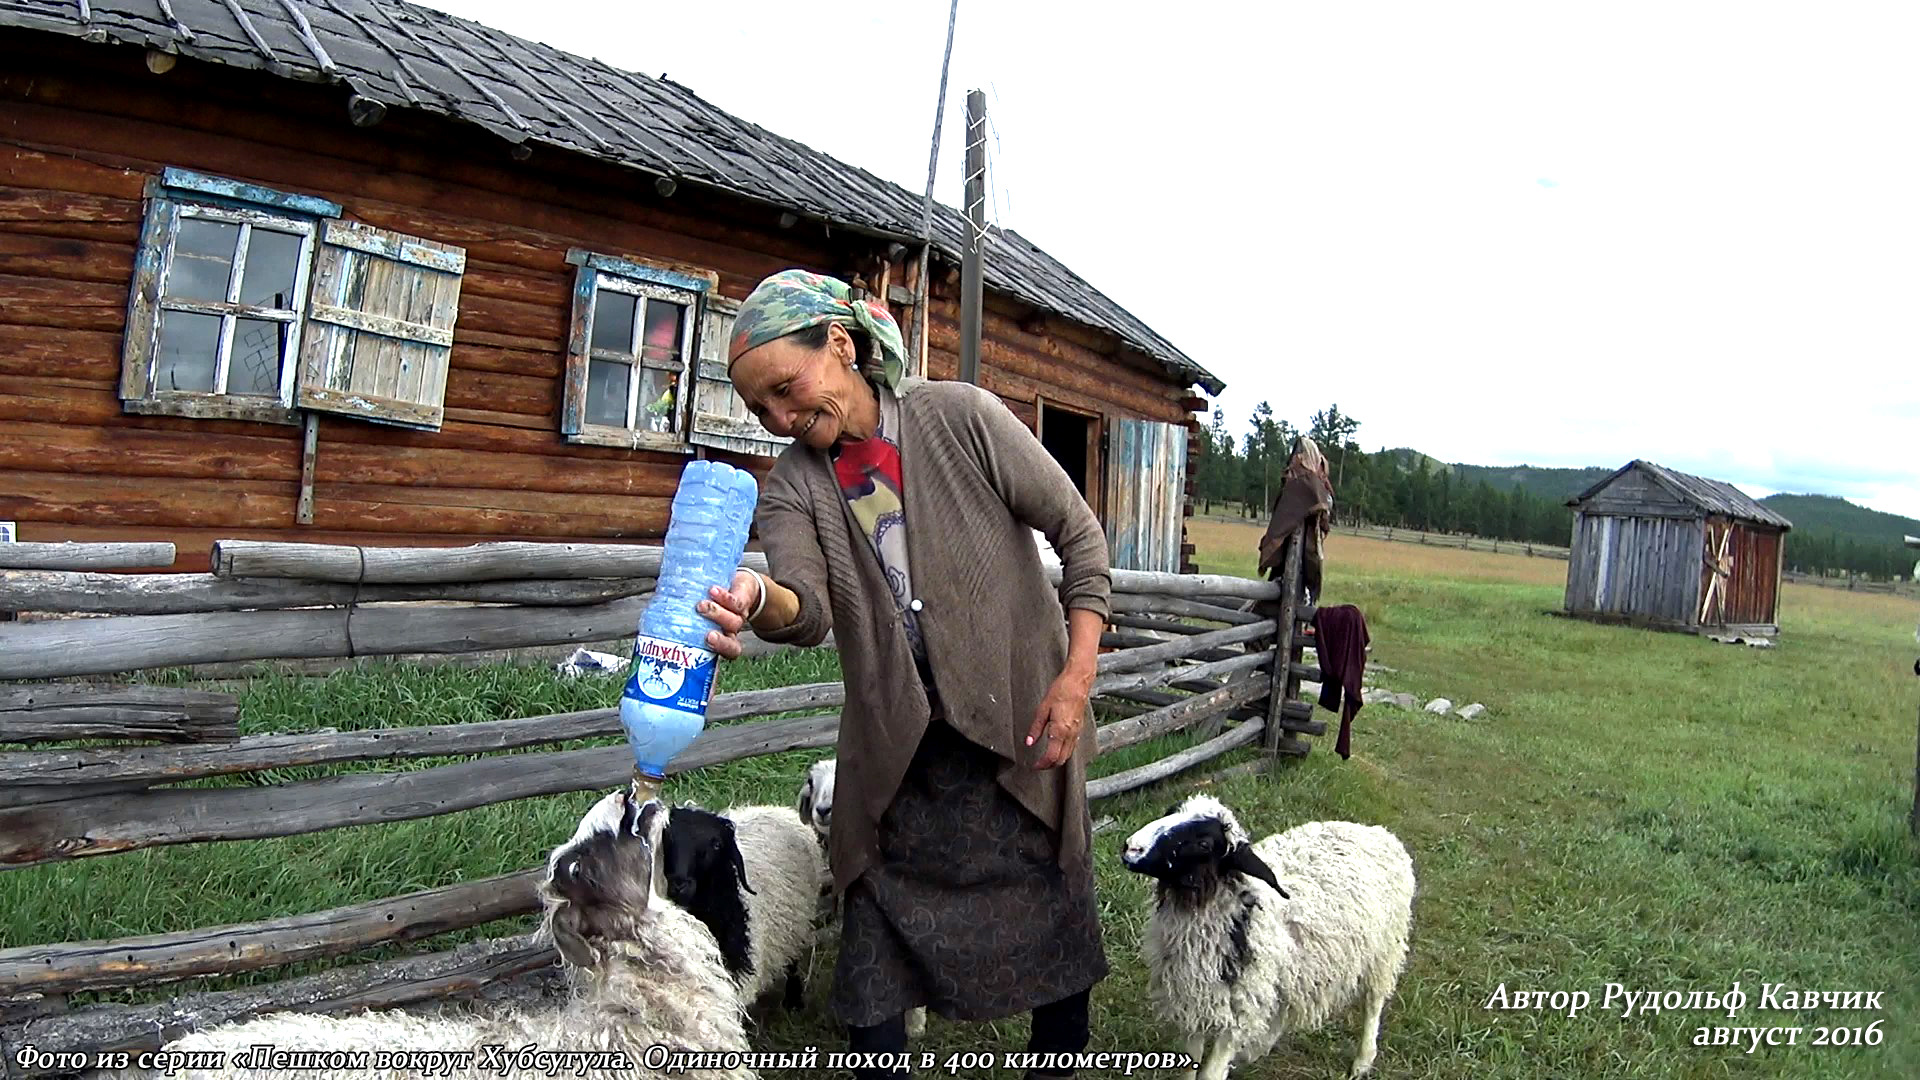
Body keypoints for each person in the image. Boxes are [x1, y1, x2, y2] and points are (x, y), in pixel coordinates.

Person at [696, 269, 1111, 1079]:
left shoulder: (961, 418)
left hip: (1018, 740)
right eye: (761, 410)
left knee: (1054, 926)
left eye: (787, 388)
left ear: (840, 346)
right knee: (876, 945)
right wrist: (756, 597)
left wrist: (1075, 679)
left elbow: (1081, 535)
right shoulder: (793, 489)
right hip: (899, 769)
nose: (782, 417)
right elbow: (807, 609)